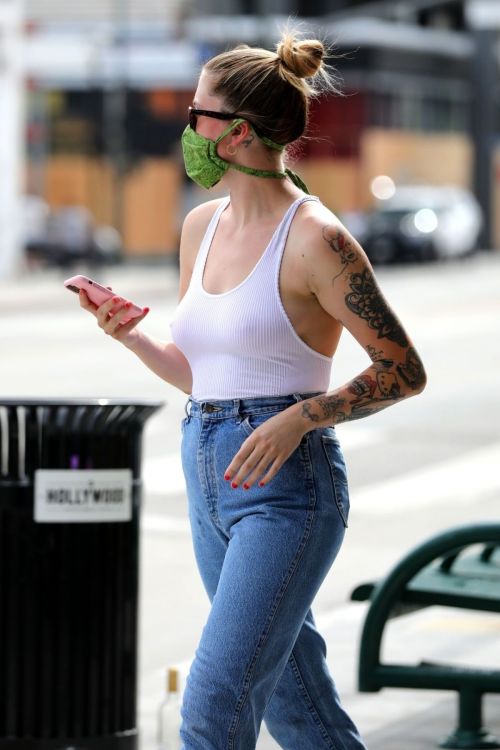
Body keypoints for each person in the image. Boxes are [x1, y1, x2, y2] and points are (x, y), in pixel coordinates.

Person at [79, 28, 426, 750]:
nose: (186, 128)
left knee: (212, 707)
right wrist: (130, 334)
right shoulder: (200, 225)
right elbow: (200, 373)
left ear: (236, 133)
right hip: (207, 469)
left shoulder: (317, 240)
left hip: (286, 490)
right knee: (296, 707)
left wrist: (301, 418)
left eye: (196, 112)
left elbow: (402, 368)